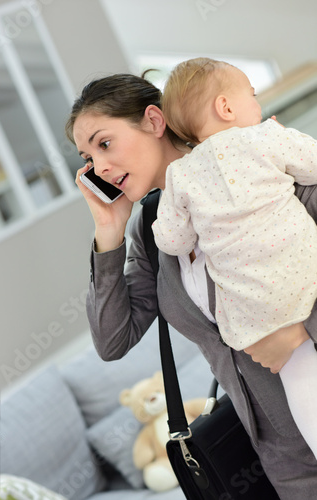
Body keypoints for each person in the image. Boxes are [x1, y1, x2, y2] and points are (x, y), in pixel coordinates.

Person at [66, 73, 317, 499]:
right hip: (285, 461)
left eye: (104, 143)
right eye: (88, 157)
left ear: (153, 120)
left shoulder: (256, 165)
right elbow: (112, 340)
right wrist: (108, 229)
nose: (100, 166)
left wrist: (298, 332)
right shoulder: (152, 230)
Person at [152, 58, 317, 458]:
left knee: (300, 380)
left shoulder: (181, 176)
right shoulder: (264, 137)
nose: (257, 107)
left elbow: (172, 241)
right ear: (226, 107)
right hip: (303, 279)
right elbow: (313, 165)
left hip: (251, 314)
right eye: (253, 97)